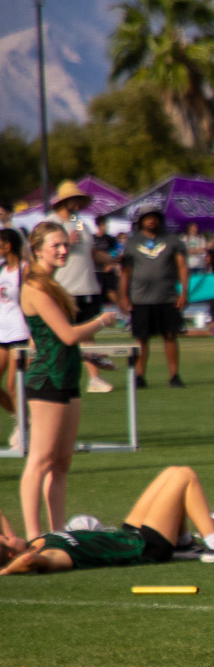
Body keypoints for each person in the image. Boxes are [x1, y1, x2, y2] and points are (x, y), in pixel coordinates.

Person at [16, 222, 121, 538]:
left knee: (61, 463)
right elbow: (67, 335)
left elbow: (49, 340)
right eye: (55, 245)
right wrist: (102, 320)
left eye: (65, 245)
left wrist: (90, 357)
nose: (63, 250)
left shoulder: (51, 283)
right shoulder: (35, 286)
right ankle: (36, 537)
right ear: (37, 249)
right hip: (47, 381)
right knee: (39, 460)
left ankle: (58, 532)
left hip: (67, 377)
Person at [1, 465, 214, 575]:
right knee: (185, 476)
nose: (9, 531)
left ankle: (184, 542)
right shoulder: (49, 555)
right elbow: (26, 561)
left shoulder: (35, 541)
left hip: (126, 534)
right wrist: (4, 571)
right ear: (12, 551)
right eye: (6, 536)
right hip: (143, 547)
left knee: (171, 472)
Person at [49, 183, 114, 392]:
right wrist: (65, 241)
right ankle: (56, 377)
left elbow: (91, 253)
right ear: (62, 201)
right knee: (61, 335)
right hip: (65, 287)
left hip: (87, 286)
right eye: (72, 199)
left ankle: (94, 379)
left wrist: (111, 260)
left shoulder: (80, 223)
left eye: (78, 199)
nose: (76, 203)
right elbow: (41, 252)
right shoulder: (51, 223)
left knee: (87, 334)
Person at [114, 205, 187, 390]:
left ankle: (174, 375)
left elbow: (182, 267)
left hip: (167, 297)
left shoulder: (172, 240)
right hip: (140, 298)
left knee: (170, 336)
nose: (151, 220)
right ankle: (139, 376)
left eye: (154, 217)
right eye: (147, 217)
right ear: (141, 221)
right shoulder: (131, 243)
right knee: (141, 338)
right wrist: (123, 296)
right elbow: (126, 272)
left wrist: (184, 292)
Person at [2, 229, 28, 452]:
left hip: (20, 334)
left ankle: (23, 426)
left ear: (8, 245)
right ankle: (20, 418)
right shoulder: (1, 269)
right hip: (2, 333)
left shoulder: (25, 269)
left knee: (13, 385)